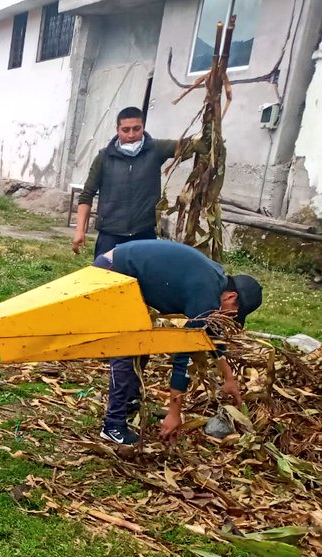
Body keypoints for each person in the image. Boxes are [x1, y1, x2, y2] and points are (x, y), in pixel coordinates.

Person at [92, 240, 263, 444]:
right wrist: (175, 413)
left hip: (124, 270)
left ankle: (128, 403)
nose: (228, 318)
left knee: (143, 343)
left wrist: (229, 378)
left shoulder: (215, 283)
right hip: (112, 270)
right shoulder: (206, 295)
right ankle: (112, 425)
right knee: (128, 348)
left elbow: (211, 333)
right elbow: (184, 354)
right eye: (232, 314)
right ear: (231, 296)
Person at [72, 106, 188, 258]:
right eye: (125, 130)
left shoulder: (155, 149)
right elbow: (86, 195)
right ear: (117, 129)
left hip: (144, 234)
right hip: (110, 234)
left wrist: (208, 132)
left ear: (143, 127)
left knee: (141, 280)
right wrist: (80, 230)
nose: (131, 135)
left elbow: (188, 145)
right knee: (105, 278)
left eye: (136, 129)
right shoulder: (105, 157)